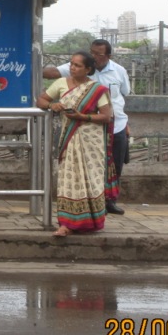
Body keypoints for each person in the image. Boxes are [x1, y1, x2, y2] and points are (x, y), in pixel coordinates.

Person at [43, 38, 131, 214]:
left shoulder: (119, 71)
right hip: (86, 129)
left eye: (98, 54)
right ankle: (90, 202)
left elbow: (122, 97)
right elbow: (51, 74)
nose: (94, 56)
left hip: (116, 125)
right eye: (92, 52)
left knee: (114, 164)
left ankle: (110, 201)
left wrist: (126, 123)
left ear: (108, 56)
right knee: (90, 165)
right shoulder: (76, 69)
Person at [37, 51, 114, 237]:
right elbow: (41, 99)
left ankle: (91, 221)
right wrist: (51, 106)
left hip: (91, 142)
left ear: (88, 69)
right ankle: (66, 224)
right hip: (69, 139)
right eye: (71, 64)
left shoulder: (98, 89)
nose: (72, 68)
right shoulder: (61, 84)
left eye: (78, 65)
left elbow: (106, 116)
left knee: (90, 180)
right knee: (69, 180)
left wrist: (82, 117)